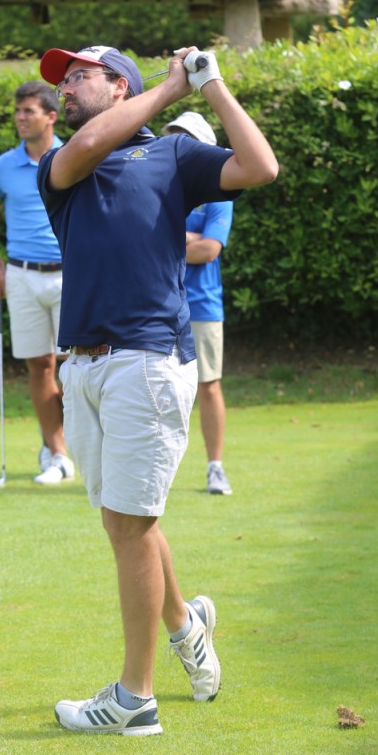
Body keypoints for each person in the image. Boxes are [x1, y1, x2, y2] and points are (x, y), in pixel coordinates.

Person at [37, 44, 278, 735]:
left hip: (146, 358)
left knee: (131, 523)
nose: (65, 88)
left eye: (79, 76)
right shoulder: (64, 162)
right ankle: (186, 622)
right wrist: (172, 89)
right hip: (82, 366)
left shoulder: (171, 155)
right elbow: (88, 145)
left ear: (121, 85)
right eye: (63, 79)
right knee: (127, 521)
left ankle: (135, 699)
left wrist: (212, 86)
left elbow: (261, 166)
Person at [0, 80, 75, 485]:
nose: (20, 117)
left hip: (70, 274)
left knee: (75, 368)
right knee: (39, 366)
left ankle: (68, 443)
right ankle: (57, 455)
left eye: (29, 111)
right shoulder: (2, 166)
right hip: (22, 275)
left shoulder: (74, 155)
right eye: (17, 111)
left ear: (51, 116)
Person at [162, 111, 234, 496]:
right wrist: (189, 238)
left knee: (208, 385)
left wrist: (169, 241)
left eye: (187, 140)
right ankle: (156, 470)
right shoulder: (160, 187)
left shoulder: (219, 192)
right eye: (175, 139)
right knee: (156, 386)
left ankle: (215, 468)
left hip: (202, 304)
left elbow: (209, 250)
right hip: (158, 302)